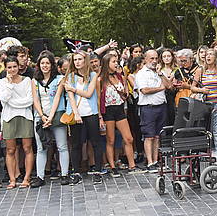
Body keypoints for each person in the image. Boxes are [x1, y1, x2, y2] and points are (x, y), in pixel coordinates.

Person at [64, 50, 105, 183]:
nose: (77, 62)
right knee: (76, 144)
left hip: (91, 113)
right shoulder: (70, 76)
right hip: (76, 114)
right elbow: (70, 98)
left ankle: (97, 170)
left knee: (96, 142)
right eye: (75, 60)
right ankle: (76, 172)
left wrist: (74, 90)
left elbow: (89, 94)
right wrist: (76, 113)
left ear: (85, 60)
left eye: (80, 59)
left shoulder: (93, 75)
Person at [97, 53, 141, 177]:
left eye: (116, 61)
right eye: (113, 62)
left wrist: (125, 91)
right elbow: (98, 99)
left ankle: (132, 165)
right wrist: (100, 116)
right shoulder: (100, 79)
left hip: (120, 109)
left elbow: (125, 92)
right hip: (108, 111)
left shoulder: (120, 76)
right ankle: (112, 166)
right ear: (106, 64)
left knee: (129, 138)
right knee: (110, 139)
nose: (116, 64)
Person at [31, 51, 70, 187]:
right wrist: (42, 116)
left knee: (62, 146)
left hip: (57, 115)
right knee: (41, 147)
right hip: (41, 117)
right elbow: (35, 99)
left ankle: (64, 174)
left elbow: (58, 97)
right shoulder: (35, 81)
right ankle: (40, 177)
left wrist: (51, 117)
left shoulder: (59, 79)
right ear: (38, 65)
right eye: (42, 63)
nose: (45, 65)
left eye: (47, 63)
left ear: (52, 64)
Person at [0, 56, 35, 189]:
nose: (12, 69)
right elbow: (4, 98)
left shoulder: (27, 80)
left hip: (25, 116)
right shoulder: (1, 82)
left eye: (14, 66)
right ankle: (12, 179)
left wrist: (13, 103)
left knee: (27, 148)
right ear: (6, 68)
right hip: (8, 118)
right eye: (9, 67)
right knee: (10, 150)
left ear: (19, 66)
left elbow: (29, 101)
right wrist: (9, 84)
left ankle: (26, 178)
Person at [134, 49, 172, 173]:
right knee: (149, 136)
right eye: (152, 58)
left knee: (157, 136)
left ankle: (156, 161)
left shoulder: (158, 72)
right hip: (148, 107)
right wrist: (159, 88)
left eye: (156, 58)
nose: (155, 61)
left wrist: (161, 74)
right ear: (145, 59)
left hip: (161, 106)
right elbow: (144, 90)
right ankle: (149, 162)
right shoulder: (141, 74)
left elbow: (169, 86)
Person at [191, 49, 217, 152]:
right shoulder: (200, 70)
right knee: (204, 129)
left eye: (211, 55)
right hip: (204, 104)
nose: (208, 57)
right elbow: (192, 87)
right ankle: (204, 152)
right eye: (207, 55)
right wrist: (202, 90)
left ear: (216, 57)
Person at [158, 48, 177, 122]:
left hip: (173, 96)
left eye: (168, 56)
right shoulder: (159, 70)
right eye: (164, 56)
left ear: (172, 57)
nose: (166, 58)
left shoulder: (177, 70)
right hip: (162, 95)